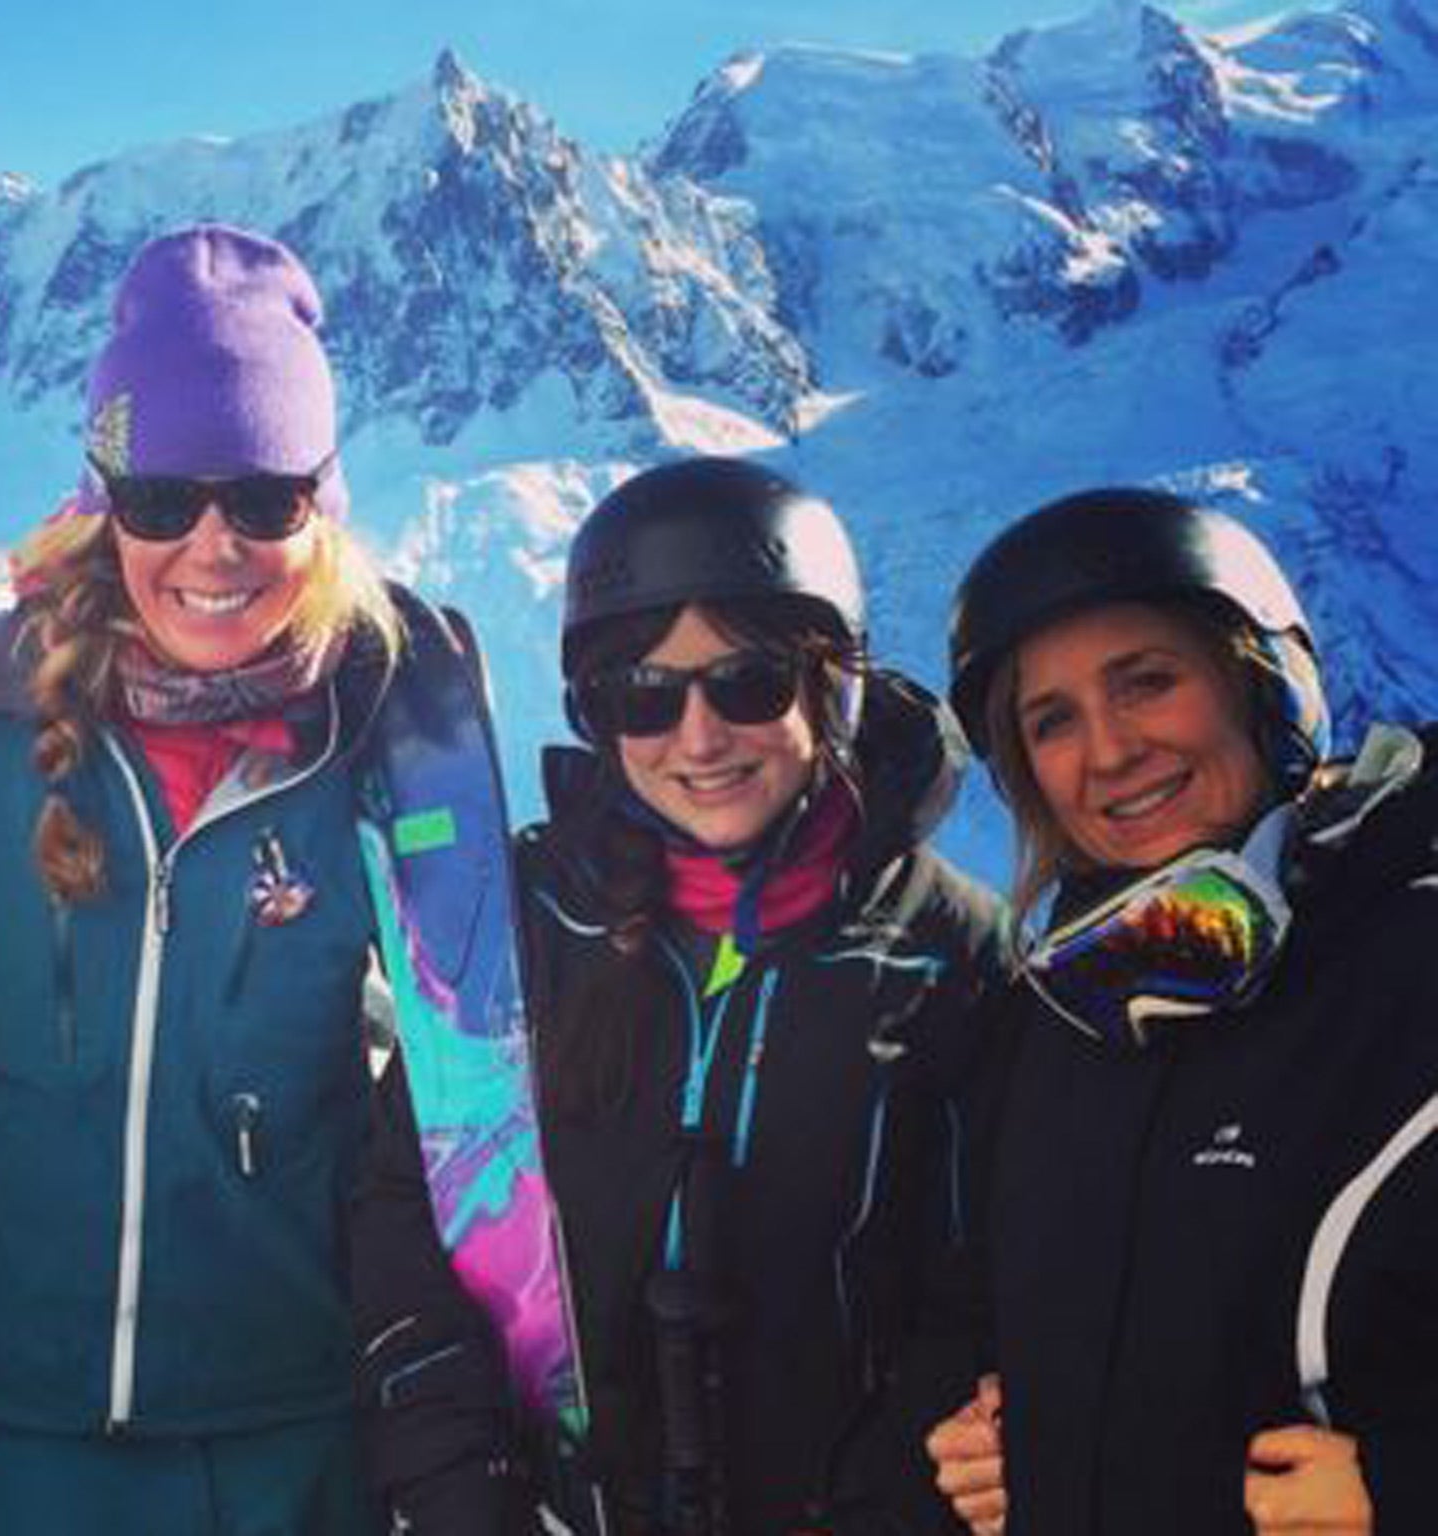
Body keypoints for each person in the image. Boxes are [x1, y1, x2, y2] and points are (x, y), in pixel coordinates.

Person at [0, 223, 431, 1532]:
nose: (213, 547)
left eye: (265, 498)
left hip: (287, 1427)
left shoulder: (391, 740)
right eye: (163, 499)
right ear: (108, 503)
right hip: (9, 1430)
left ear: (323, 504)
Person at [353, 456, 1010, 1535]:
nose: (696, 738)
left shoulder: (947, 958)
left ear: (829, 686)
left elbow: (973, 1294)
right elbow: (406, 1226)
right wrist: (466, 1498)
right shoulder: (516, 933)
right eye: (644, 697)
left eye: (746, 684)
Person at [927, 487, 1438, 1536]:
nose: (1106, 752)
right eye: (1050, 720)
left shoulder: (1408, 964)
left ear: (1267, 688)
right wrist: (993, 1438)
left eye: (1147, 682)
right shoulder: (1051, 1023)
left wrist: (1402, 1486)